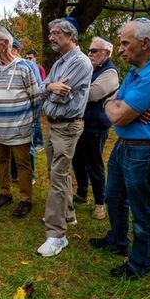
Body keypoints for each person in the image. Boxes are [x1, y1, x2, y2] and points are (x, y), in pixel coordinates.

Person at [89, 18, 150, 279]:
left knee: (142, 208)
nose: (122, 49)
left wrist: (119, 108)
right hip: (126, 145)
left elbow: (117, 117)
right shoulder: (136, 69)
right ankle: (116, 240)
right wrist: (116, 105)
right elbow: (112, 103)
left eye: (126, 43)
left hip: (146, 151)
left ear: (145, 43)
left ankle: (140, 263)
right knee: (113, 196)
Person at [36, 17, 92, 257]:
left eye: (56, 33)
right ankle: (67, 214)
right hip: (53, 125)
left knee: (58, 177)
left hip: (68, 127)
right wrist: (50, 87)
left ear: (71, 36)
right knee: (56, 173)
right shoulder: (59, 63)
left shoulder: (81, 62)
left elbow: (61, 95)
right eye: (51, 33)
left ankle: (56, 235)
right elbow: (42, 90)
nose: (51, 37)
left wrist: (51, 91)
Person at [0, 27, 39, 218]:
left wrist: (27, 123)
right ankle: (5, 193)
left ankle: (25, 200)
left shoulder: (25, 67)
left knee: (23, 165)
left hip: (20, 129)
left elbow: (35, 98)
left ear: (5, 43)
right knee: (2, 161)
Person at [71, 37, 119, 221]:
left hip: (95, 126)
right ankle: (82, 193)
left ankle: (100, 202)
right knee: (77, 160)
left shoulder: (110, 72)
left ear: (106, 53)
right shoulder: (91, 69)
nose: (89, 54)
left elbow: (90, 94)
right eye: (89, 50)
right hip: (80, 123)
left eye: (94, 51)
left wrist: (71, 88)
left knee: (94, 164)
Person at [8, 38, 39, 184]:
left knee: (28, 145)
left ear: (14, 50)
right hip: (8, 115)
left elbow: (37, 88)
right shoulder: (4, 65)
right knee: (11, 146)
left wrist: (33, 114)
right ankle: (14, 174)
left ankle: (30, 175)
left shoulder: (29, 65)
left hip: (25, 113)